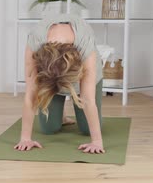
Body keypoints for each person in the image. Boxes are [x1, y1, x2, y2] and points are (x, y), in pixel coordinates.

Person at [14, 14, 105, 154]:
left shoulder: (85, 42)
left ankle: (68, 113)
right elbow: (31, 94)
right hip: (51, 80)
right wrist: (25, 138)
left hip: (83, 77)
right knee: (49, 129)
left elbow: (88, 99)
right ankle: (60, 115)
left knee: (88, 130)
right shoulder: (36, 39)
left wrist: (97, 142)